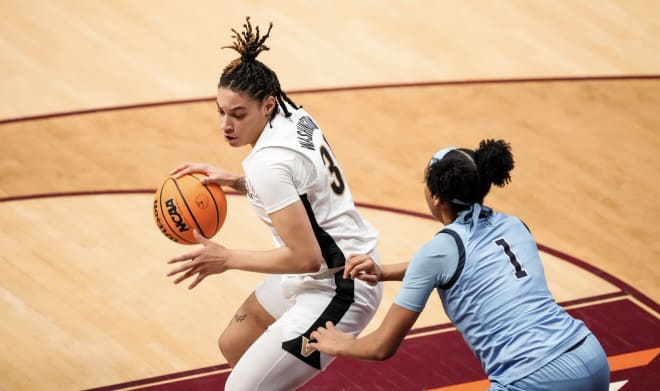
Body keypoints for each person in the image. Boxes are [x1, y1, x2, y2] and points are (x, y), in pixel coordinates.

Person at [165, 17, 383, 391]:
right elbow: (300, 185)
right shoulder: (291, 114)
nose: (226, 125)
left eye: (238, 114)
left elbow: (305, 257)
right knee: (234, 343)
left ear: (266, 105)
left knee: (240, 389)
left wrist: (227, 258)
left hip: (341, 287)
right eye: (220, 111)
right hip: (323, 267)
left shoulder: (268, 163)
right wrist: (234, 180)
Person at [309, 139, 611, 391]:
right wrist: (385, 272)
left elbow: (382, 347)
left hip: (534, 376)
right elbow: (460, 265)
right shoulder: (515, 225)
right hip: (590, 355)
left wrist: (340, 343)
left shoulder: (439, 251)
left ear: (436, 196)